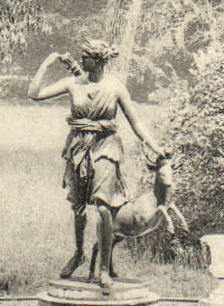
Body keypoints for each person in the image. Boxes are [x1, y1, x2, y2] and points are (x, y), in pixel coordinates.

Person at [27, 40, 166, 285]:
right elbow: (34, 94)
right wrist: (47, 64)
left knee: (103, 206)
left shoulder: (115, 87)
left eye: (87, 57)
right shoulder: (73, 83)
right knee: (78, 208)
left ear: (99, 60)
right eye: (82, 57)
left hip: (106, 148)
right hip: (78, 149)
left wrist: (156, 147)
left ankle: (103, 267)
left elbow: (135, 122)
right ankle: (78, 253)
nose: (83, 61)